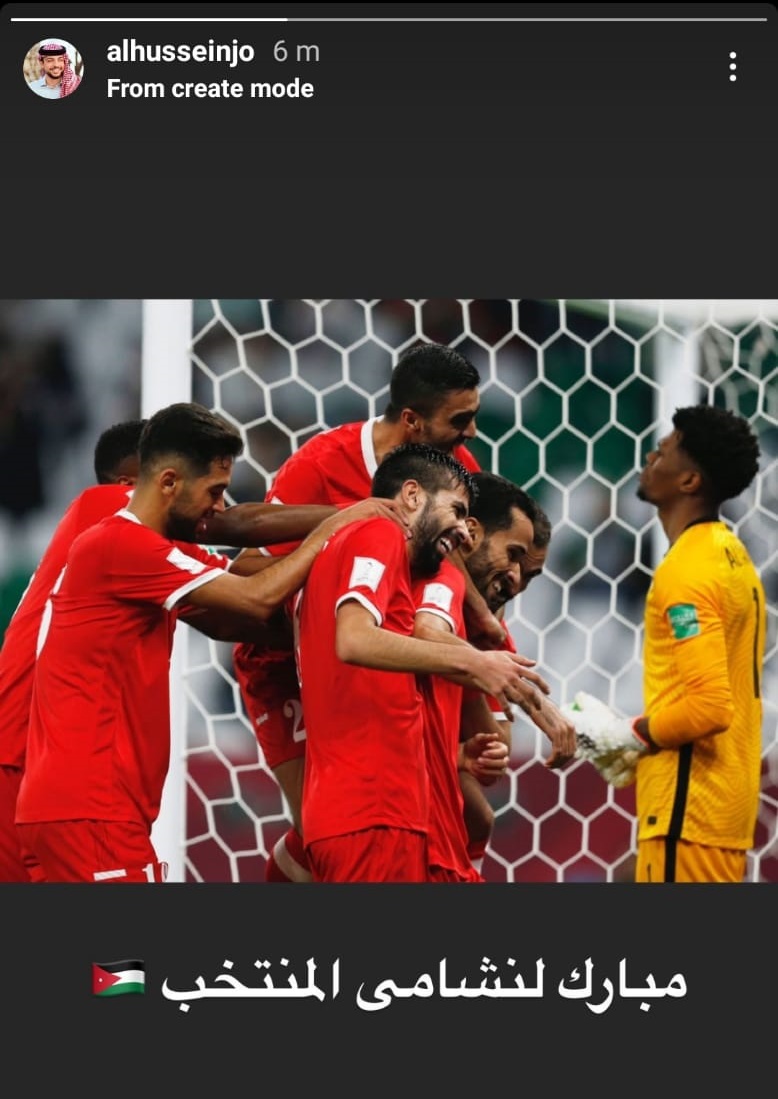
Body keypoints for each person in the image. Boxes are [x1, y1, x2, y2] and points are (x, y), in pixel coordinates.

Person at [14, 402, 405, 883]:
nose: (220, 507)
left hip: (76, 805)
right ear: (167, 482)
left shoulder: (145, 550)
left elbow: (237, 602)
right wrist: (338, 529)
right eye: (215, 491)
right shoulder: (119, 539)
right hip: (92, 806)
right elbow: (254, 597)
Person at [218, 342, 531, 881]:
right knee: (324, 834)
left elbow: (450, 564)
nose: (473, 433)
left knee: (468, 813)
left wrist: (485, 624)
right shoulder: (322, 464)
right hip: (291, 661)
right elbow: (246, 567)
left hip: (389, 646)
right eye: (460, 420)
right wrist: (343, 537)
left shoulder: (456, 469)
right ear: (411, 421)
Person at [295, 443, 551, 883]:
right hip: (374, 808)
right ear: (412, 495)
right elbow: (354, 639)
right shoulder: (381, 533)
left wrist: (457, 755)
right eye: (456, 511)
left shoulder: (368, 561)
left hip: (370, 809)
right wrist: (475, 663)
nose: (463, 531)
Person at [565, 404, 766, 883]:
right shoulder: (732, 557)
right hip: (720, 809)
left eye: (664, 451)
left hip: (687, 811)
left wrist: (628, 734)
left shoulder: (687, 572)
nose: (650, 458)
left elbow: (710, 708)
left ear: (689, 481)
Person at [0, 419, 146, 882]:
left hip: (30, 757)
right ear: (128, 482)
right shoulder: (106, 509)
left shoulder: (114, 539)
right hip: (21, 755)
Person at [412, 472, 573, 880]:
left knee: (476, 815)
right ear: (471, 532)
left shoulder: (490, 627)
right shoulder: (438, 580)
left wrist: (478, 671)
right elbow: (424, 631)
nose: (517, 580)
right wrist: (479, 668)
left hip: (401, 776)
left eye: (530, 575)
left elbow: (496, 746)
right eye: (513, 555)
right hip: (359, 767)